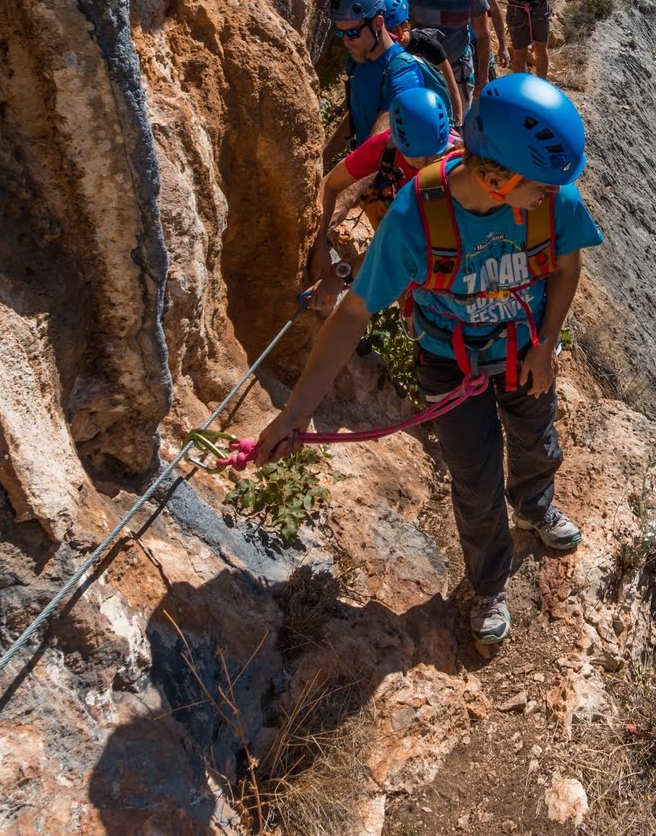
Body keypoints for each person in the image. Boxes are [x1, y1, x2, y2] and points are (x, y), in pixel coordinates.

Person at [250, 74, 602, 650]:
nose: (556, 194)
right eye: (542, 186)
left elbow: (566, 265)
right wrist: (295, 414)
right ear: (497, 179)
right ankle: (489, 586)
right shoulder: (416, 219)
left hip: (523, 346)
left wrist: (545, 345)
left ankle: (534, 508)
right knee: (474, 479)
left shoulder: (548, 194)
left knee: (536, 439)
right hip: (450, 358)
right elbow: (353, 314)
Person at [306, 87, 461, 306]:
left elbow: (407, 243)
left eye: (435, 154)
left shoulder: (459, 165)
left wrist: (341, 274)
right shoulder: (384, 147)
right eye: (419, 157)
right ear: (398, 143)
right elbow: (331, 185)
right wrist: (320, 239)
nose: (428, 165)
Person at [333, 0, 445, 147]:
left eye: (353, 32)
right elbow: (356, 116)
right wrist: (323, 157)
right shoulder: (358, 61)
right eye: (340, 32)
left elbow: (376, 145)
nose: (346, 41)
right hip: (361, 160)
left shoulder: (404, 73)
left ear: (378, 23)